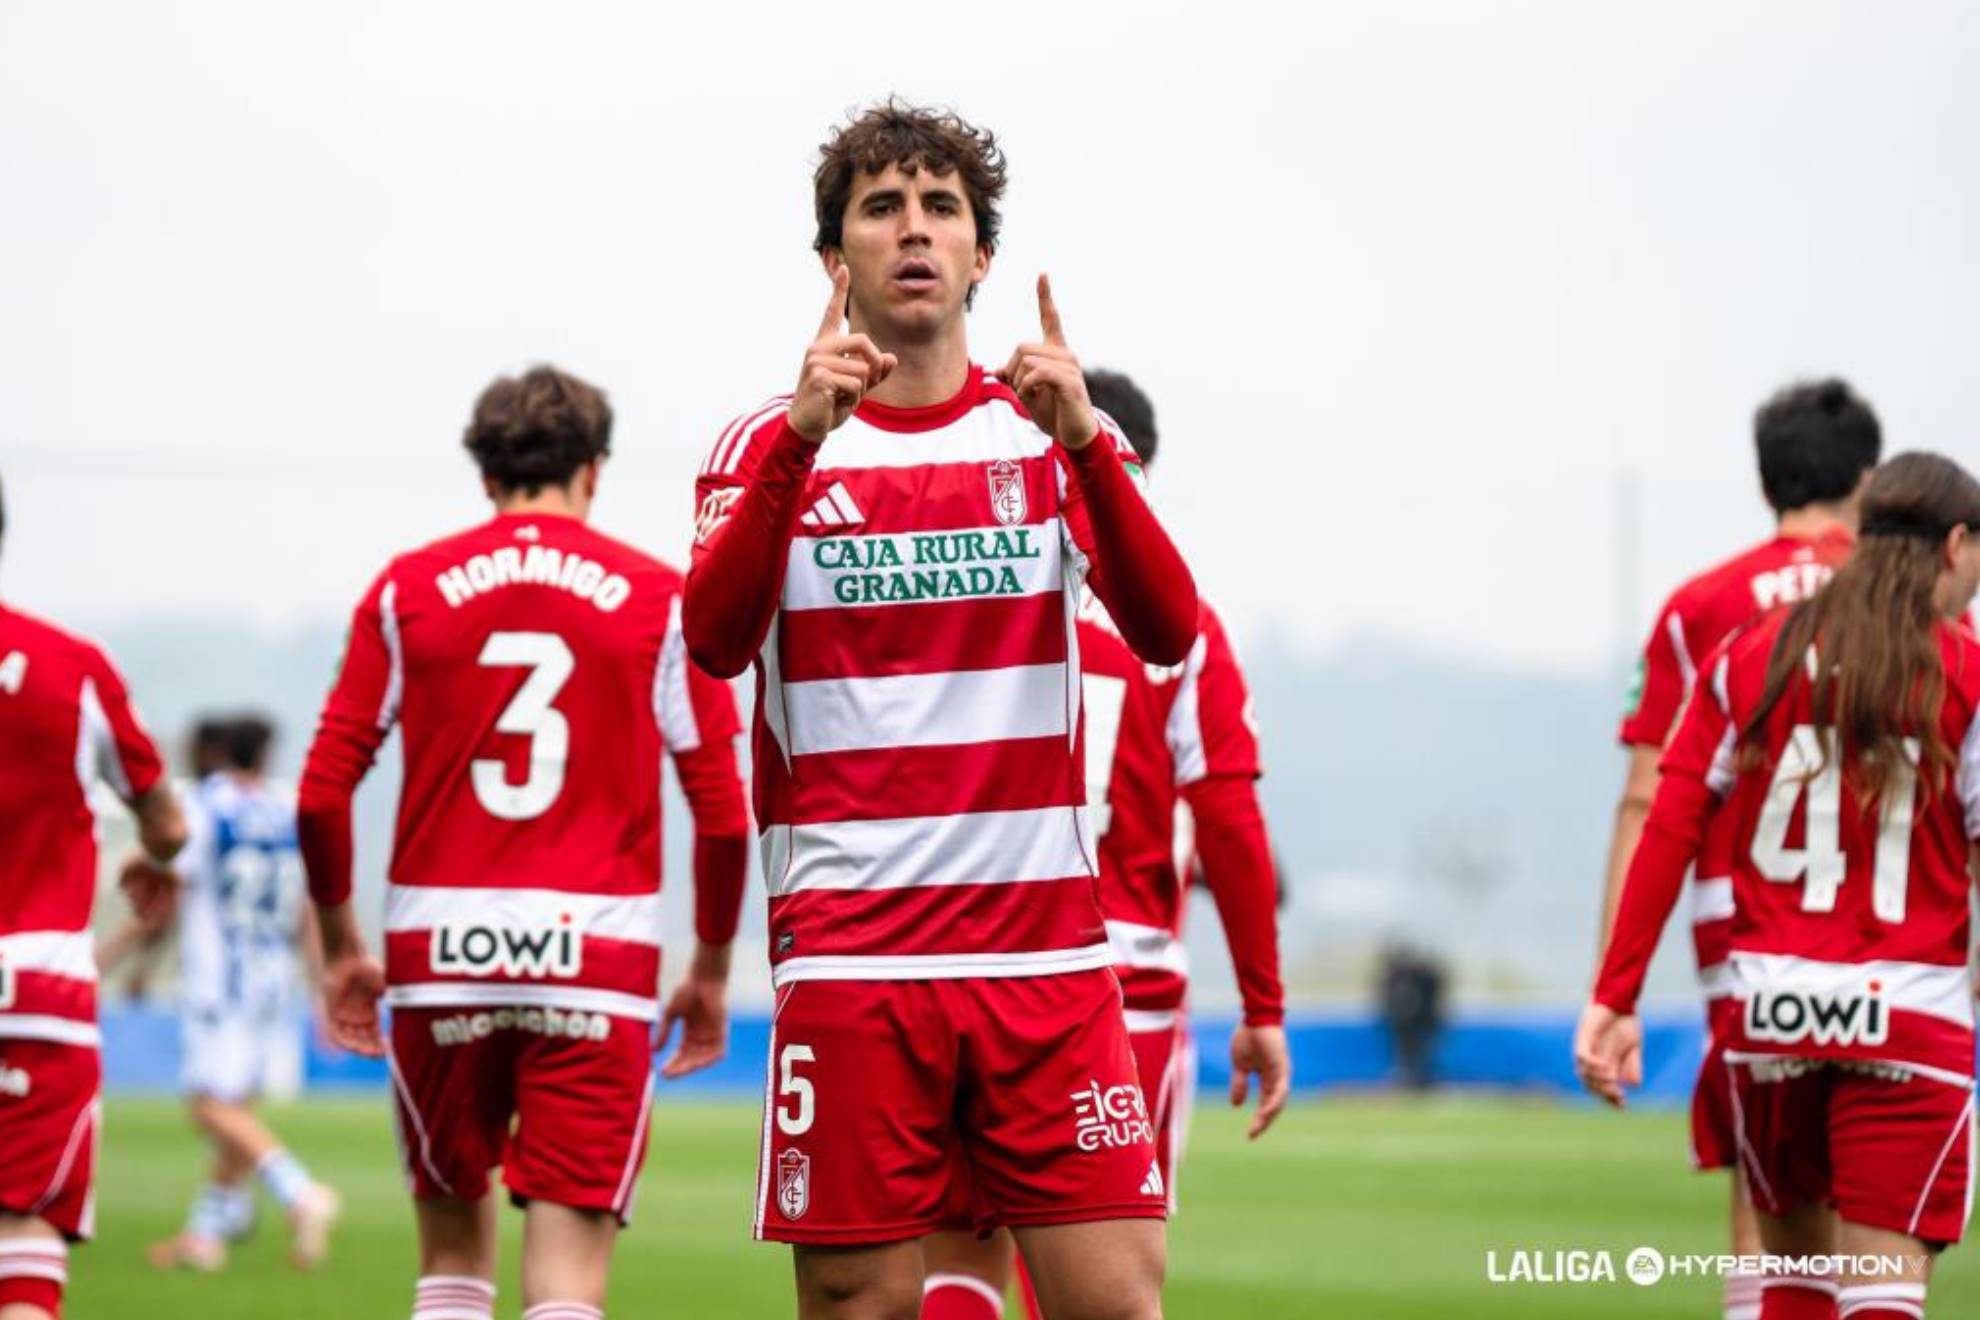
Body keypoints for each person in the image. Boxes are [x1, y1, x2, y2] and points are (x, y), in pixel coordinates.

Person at [684, 101, 1198, 1320]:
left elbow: (1169, 629)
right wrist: (800, 445)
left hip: (1046, 958)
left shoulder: (1050, 431)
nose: (913, 231)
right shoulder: (765, 445)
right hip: (857, 960)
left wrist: (1085, 445)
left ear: (980, 257)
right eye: (881, 208)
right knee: (861, 1303)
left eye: (941, 209)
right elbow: (711, 643)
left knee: (1118, 1303)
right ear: (834, 260)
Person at [296, 367, 751, 1320]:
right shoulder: (660, 599)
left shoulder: (404, 590)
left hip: (441, 960)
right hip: (597, 958)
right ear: (595, 472)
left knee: (453, 1271)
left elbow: (323, 792)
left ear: (486, 479)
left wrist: (342, 951)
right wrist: (708, 971)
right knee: (568, 1288)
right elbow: (719, 811)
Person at [919, 368, 1288, 1320]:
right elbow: (1229, 816)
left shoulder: (974, 600)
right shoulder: (1179, 627)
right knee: (1096, 1280)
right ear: (1133, 475)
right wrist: (1264, 1002)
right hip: (1123, 983)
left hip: (972, 958)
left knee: (959, 1259)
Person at [1580, 451, 1980, 1320]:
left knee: (1789, 1285)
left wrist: (1615, 993)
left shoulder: (1749, 653)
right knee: (1883, 1293)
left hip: (1772, 1011)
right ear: (1955, 546)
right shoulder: (1966, 669)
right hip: (1911, 1016)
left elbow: (1669, 819)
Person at [1595, 379, 1881, 1320]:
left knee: (1769, 1197)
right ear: (1870, 480)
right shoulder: (1920, 608)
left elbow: (1648, 796)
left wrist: (1613, 986)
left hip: (1748, 929)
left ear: (1766, 483)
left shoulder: (1701, 606)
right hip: (1893, 932)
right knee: (1873, 1196)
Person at [0, 472, 188, 1320]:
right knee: (26, 1235)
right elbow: (167, 822)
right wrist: (155, 856)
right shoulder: (70, 666)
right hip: (36, 989)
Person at [136, 714, 341, 1273]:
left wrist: (132, 960)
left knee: (209, 1106)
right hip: (274, 978)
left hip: (219, 979)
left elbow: (171, 890)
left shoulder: (203, 804)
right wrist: (322, 986)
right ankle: (205, 1236)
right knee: (237, 1109)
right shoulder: (286, 806)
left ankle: (299, 1192)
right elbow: (308, 907)